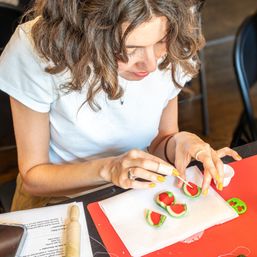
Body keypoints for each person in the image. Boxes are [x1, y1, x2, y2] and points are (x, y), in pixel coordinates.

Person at [0, 0, 241, 211]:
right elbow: (33, 175)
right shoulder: (37, 49)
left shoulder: (172, 38)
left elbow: (160, 140)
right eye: (129, 50)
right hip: (59, 199)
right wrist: (109, 169)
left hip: (137, 193)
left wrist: (178, 142)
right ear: (88, 35)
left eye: (160, 41)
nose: (150, 64)